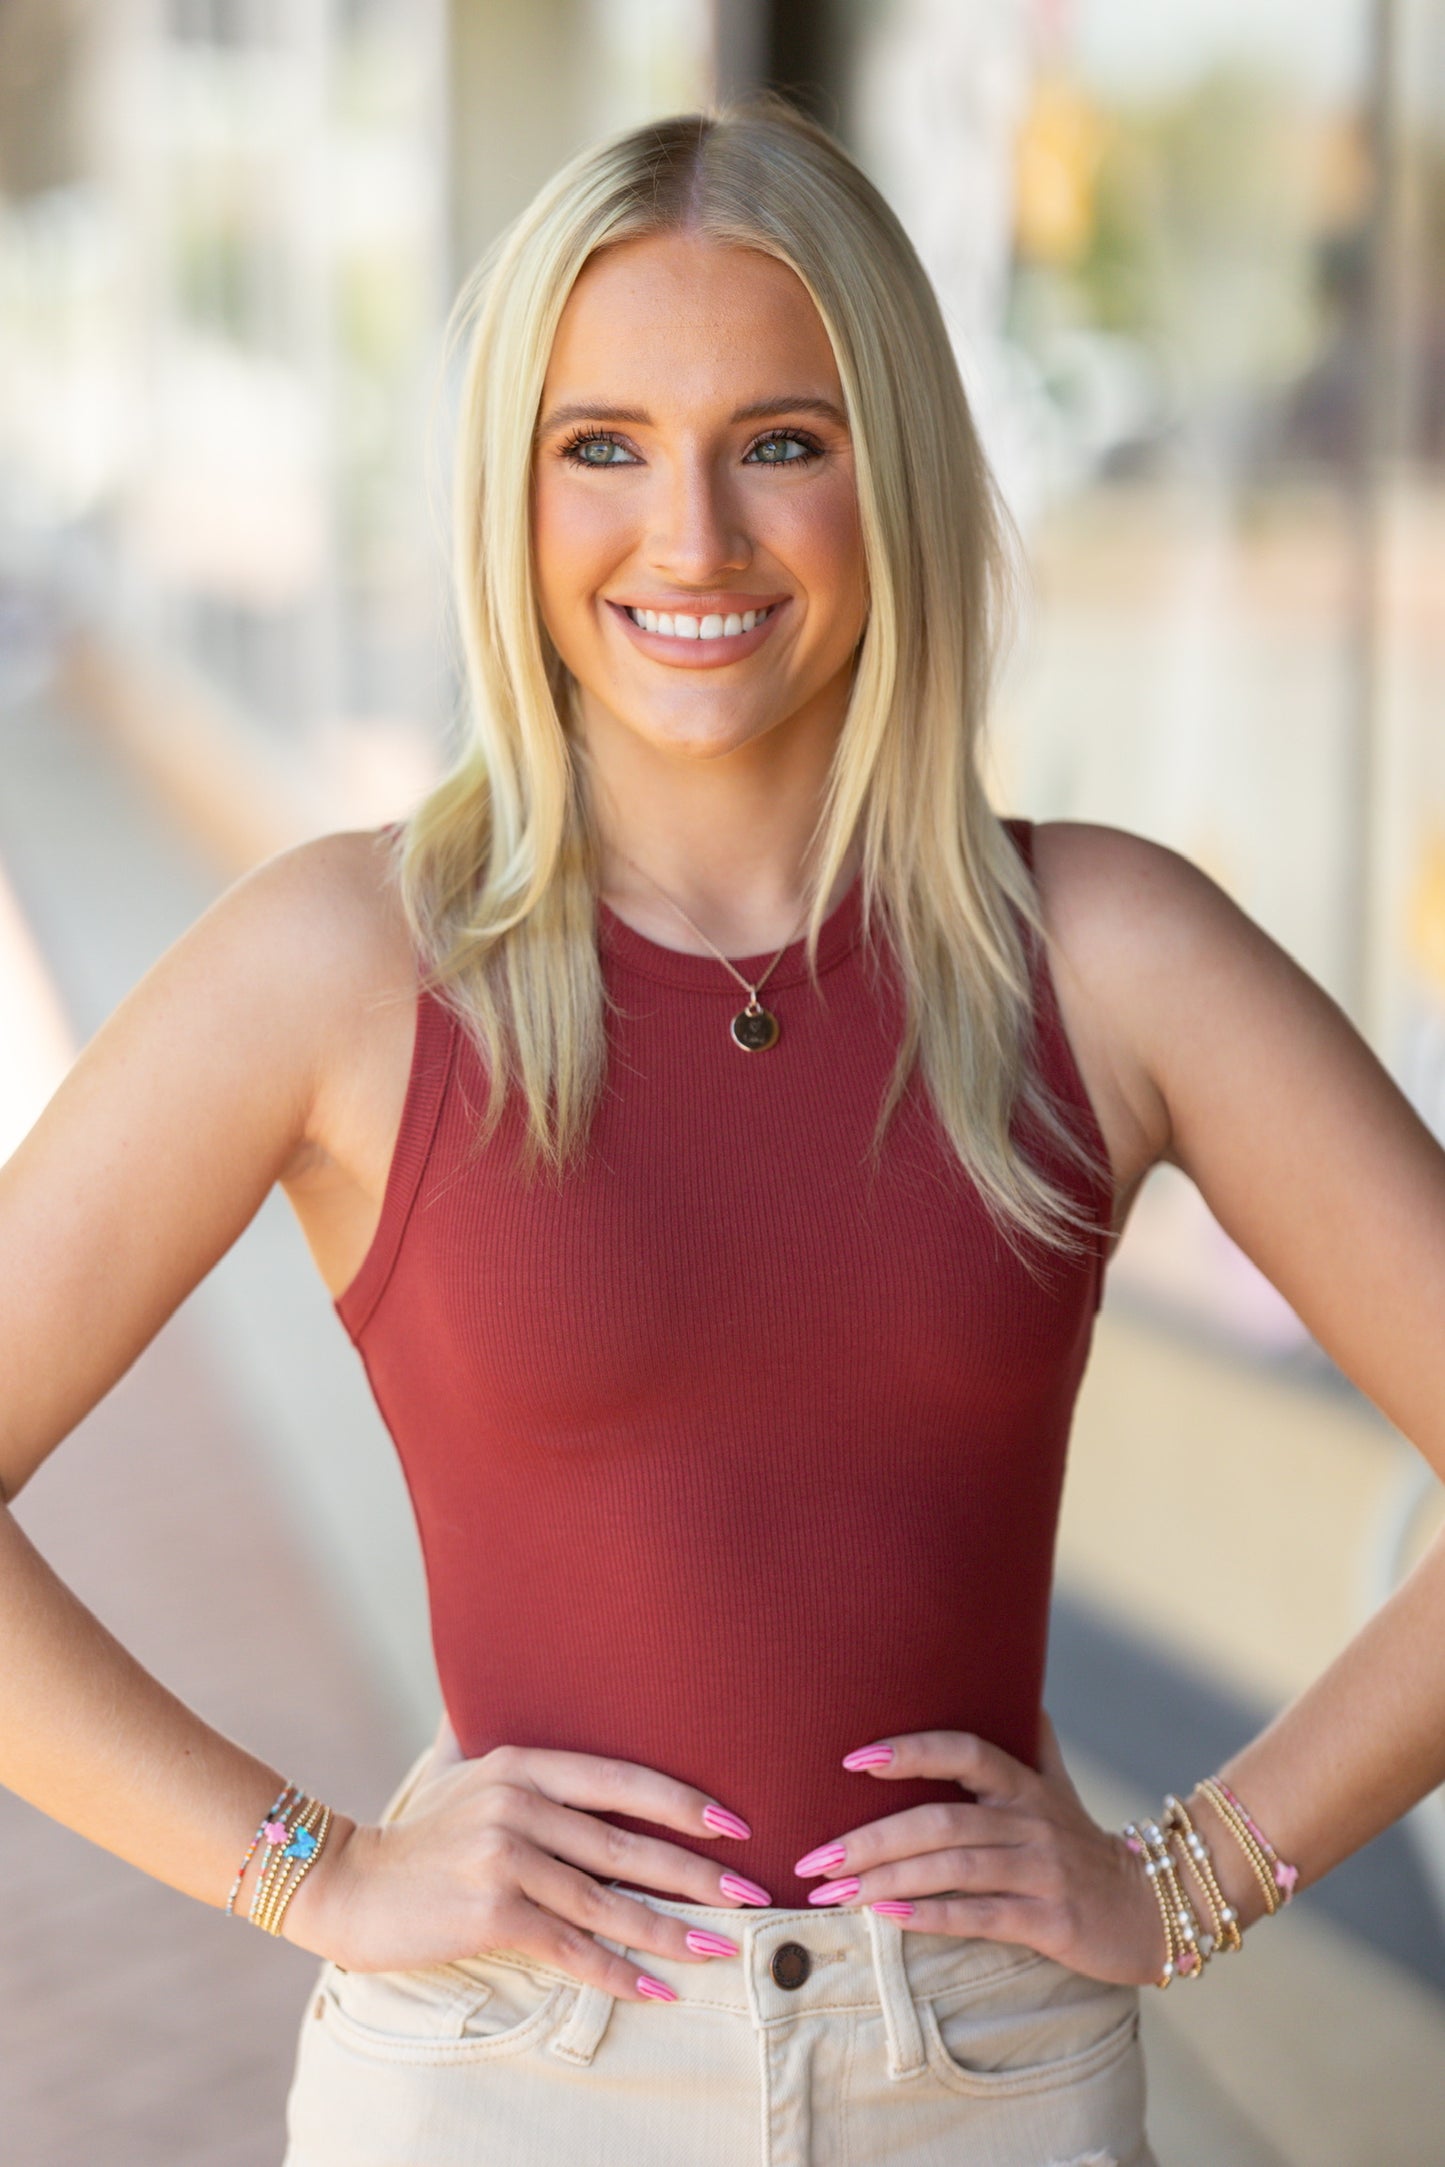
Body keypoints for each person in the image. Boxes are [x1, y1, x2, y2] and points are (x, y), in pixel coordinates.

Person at [2, 96, 1443, 2167]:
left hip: (990, 2085)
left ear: (897, 481)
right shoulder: (342, 963)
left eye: (782, 440)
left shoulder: (1112, 953)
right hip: (507, 2086)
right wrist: (309, 1867)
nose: (691, 540)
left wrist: (1196, 1868)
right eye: (603, 447)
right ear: (513, 497)